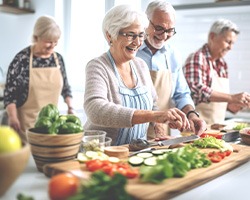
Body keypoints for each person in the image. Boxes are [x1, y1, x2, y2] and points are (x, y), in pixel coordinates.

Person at [83, 4, 191, 146]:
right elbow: (95, 109)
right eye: (130, 35)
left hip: (135, 150)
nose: (138, 42)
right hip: (102, 153)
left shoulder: (140, 66)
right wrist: (156, 116)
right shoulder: (98, 66)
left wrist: (160, 133)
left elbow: (152, 105)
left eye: (141, 35)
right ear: (110, 35)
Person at [136, 0, 206, 139]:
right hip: (132, 131)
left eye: (169, 30)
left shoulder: (173, 55)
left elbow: (181, 94)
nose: (163, 35)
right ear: (145, 21)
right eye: (159, 28)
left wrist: (192, 115)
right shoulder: (131, 50)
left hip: (162, 133)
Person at [4, 15, 74, 141]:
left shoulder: (57, 59)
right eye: (48, 42)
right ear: (36, 37)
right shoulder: (21, 60)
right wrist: (13, 117)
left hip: (51, 127)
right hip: (25, 128)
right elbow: (10, 95)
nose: (52, 46)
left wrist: (70, 107)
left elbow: (66, 88)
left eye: (55, 42)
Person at [183, 18, 250, 125]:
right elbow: (196, 89)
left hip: (215, 129)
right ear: (212, 37)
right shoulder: (197, 58)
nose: (230, 47)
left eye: (233, 43)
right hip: (194, 128)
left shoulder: (222, 64)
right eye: (228, 42)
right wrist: (232, 97)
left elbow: (216, 102)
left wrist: (233, 105)